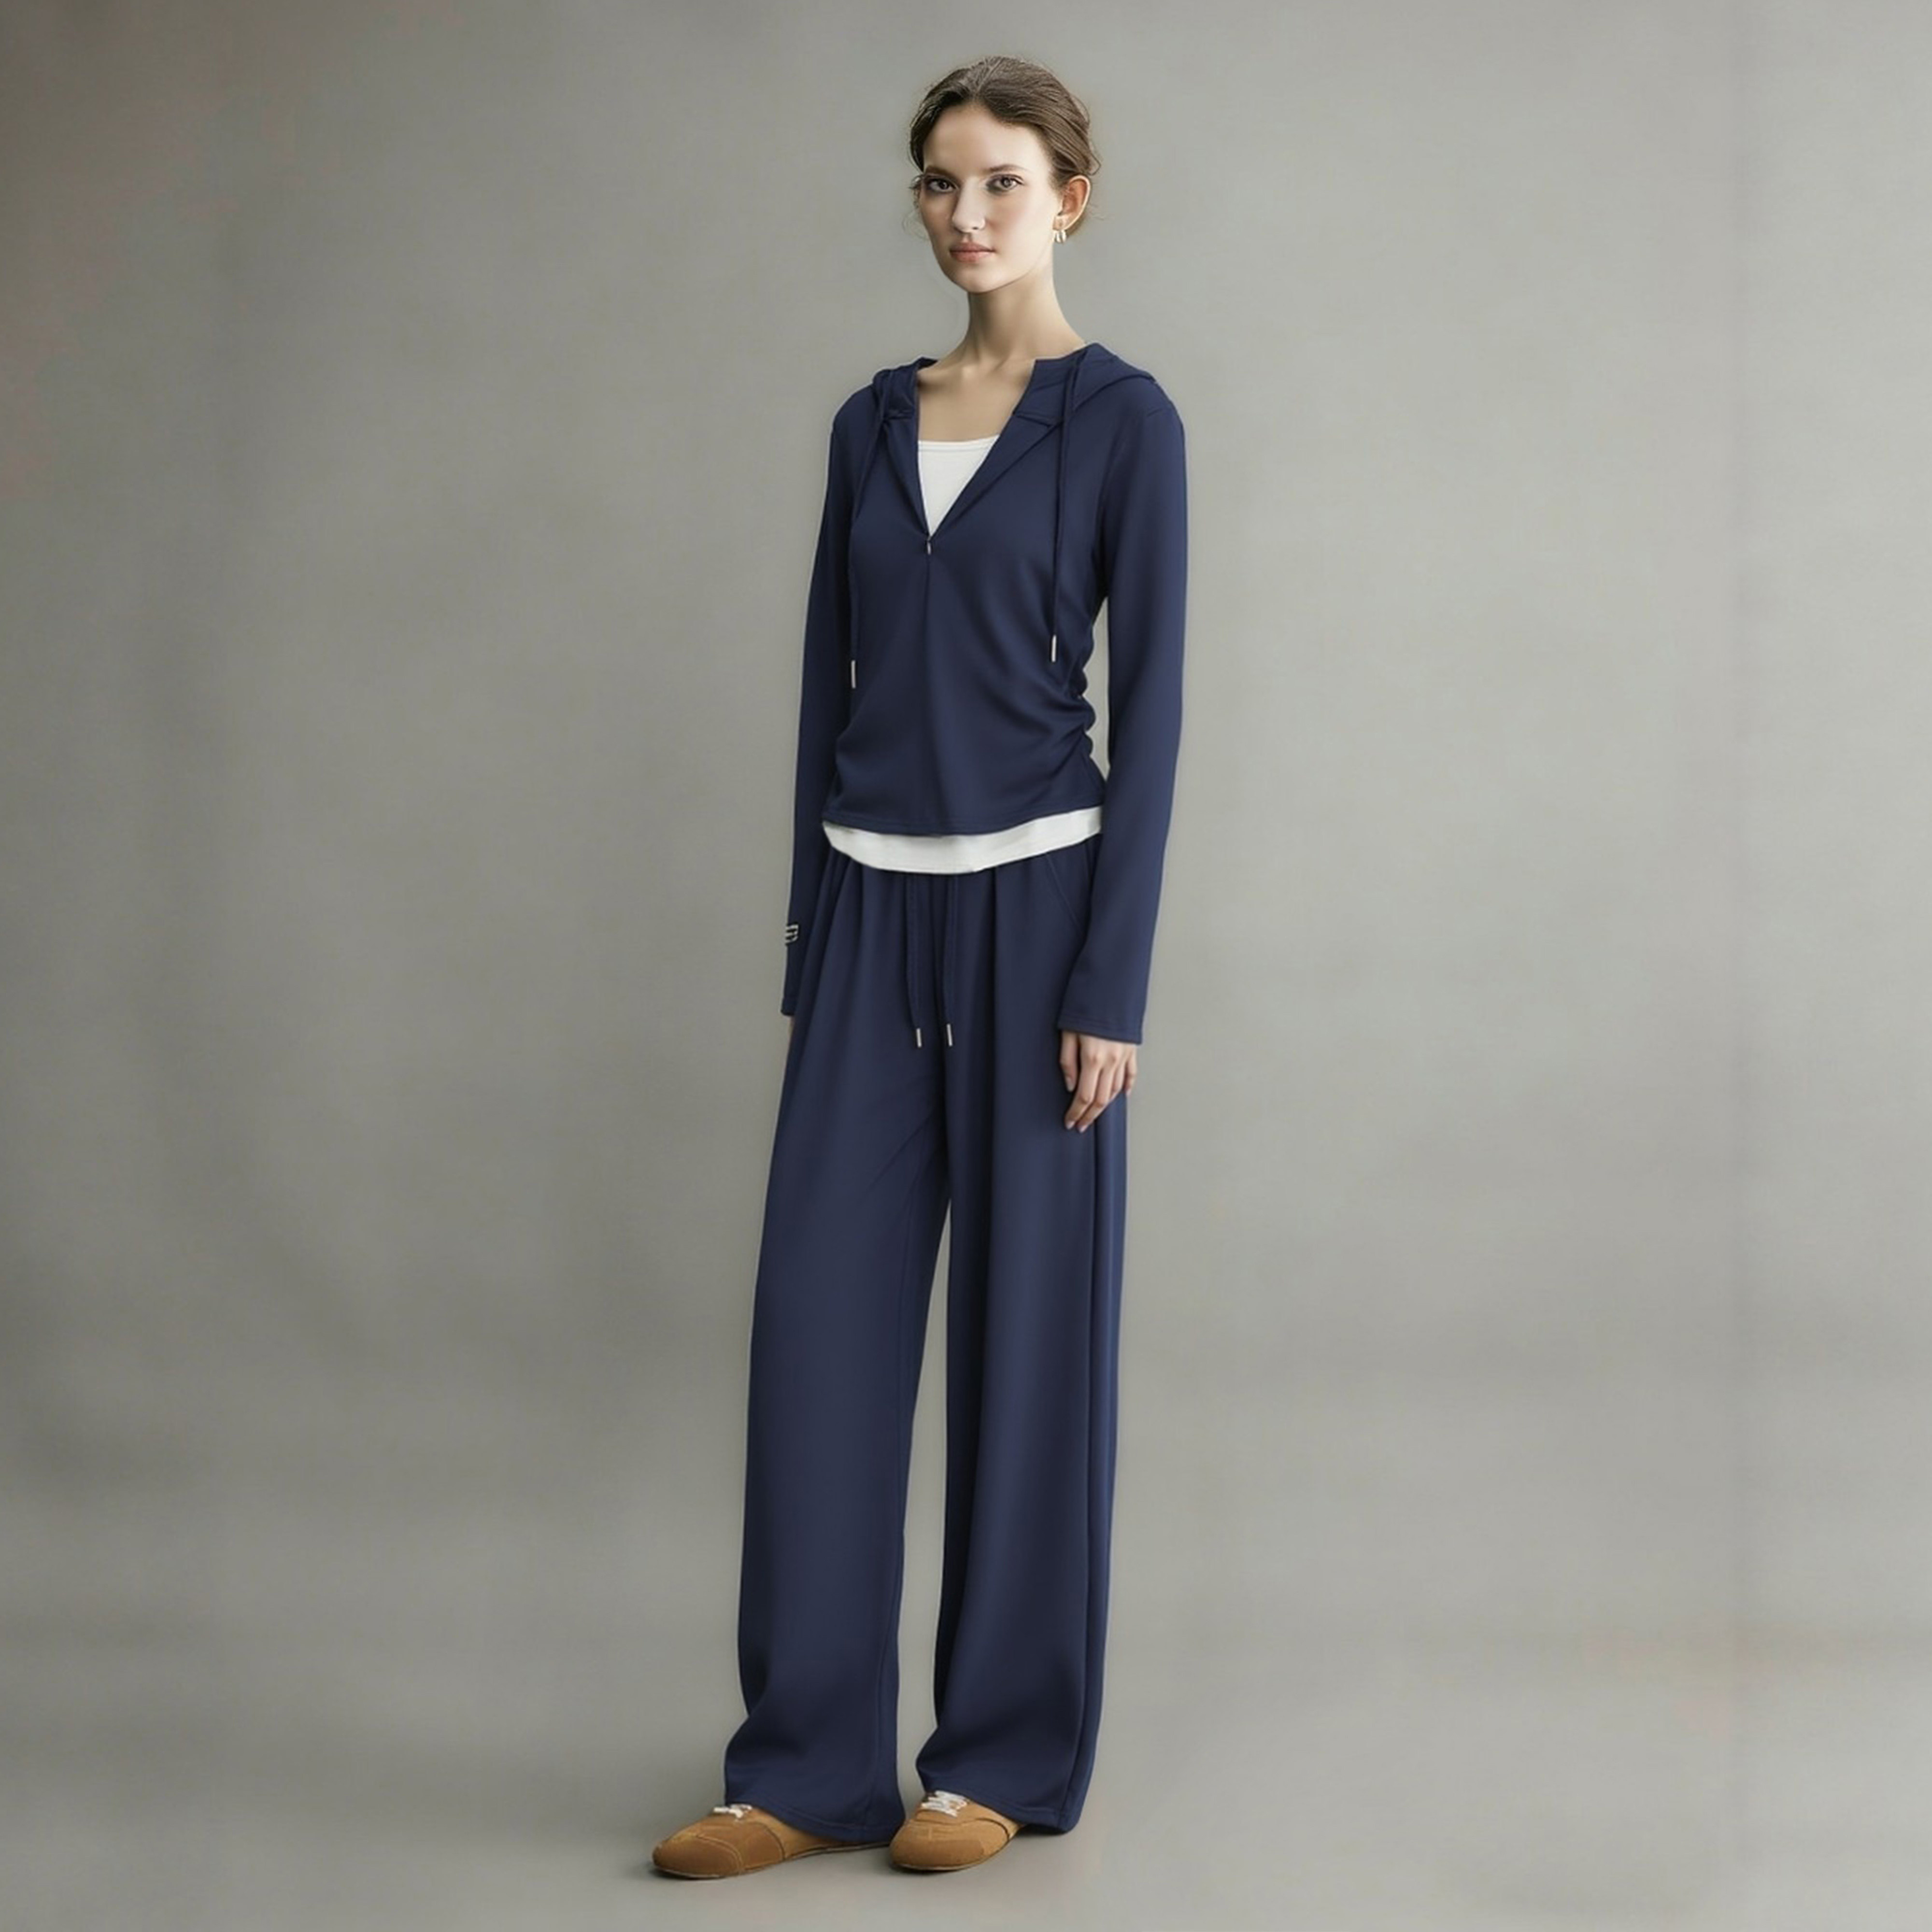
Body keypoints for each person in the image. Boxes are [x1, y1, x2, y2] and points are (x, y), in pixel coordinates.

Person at [653, 53, 1188, 1881]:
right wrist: (813, 936)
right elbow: (832, 685)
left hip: (1044, 918)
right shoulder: (872, 423)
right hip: (872, 920)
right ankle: (805, 1767)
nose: (967, 216)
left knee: (1033, 1355)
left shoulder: (1125, 425)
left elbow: (1155, 715)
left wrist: (1112, 985)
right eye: (941, 185)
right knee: (819, 1334)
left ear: (1070, 200)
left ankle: (999, 1760)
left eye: (1001, 183)